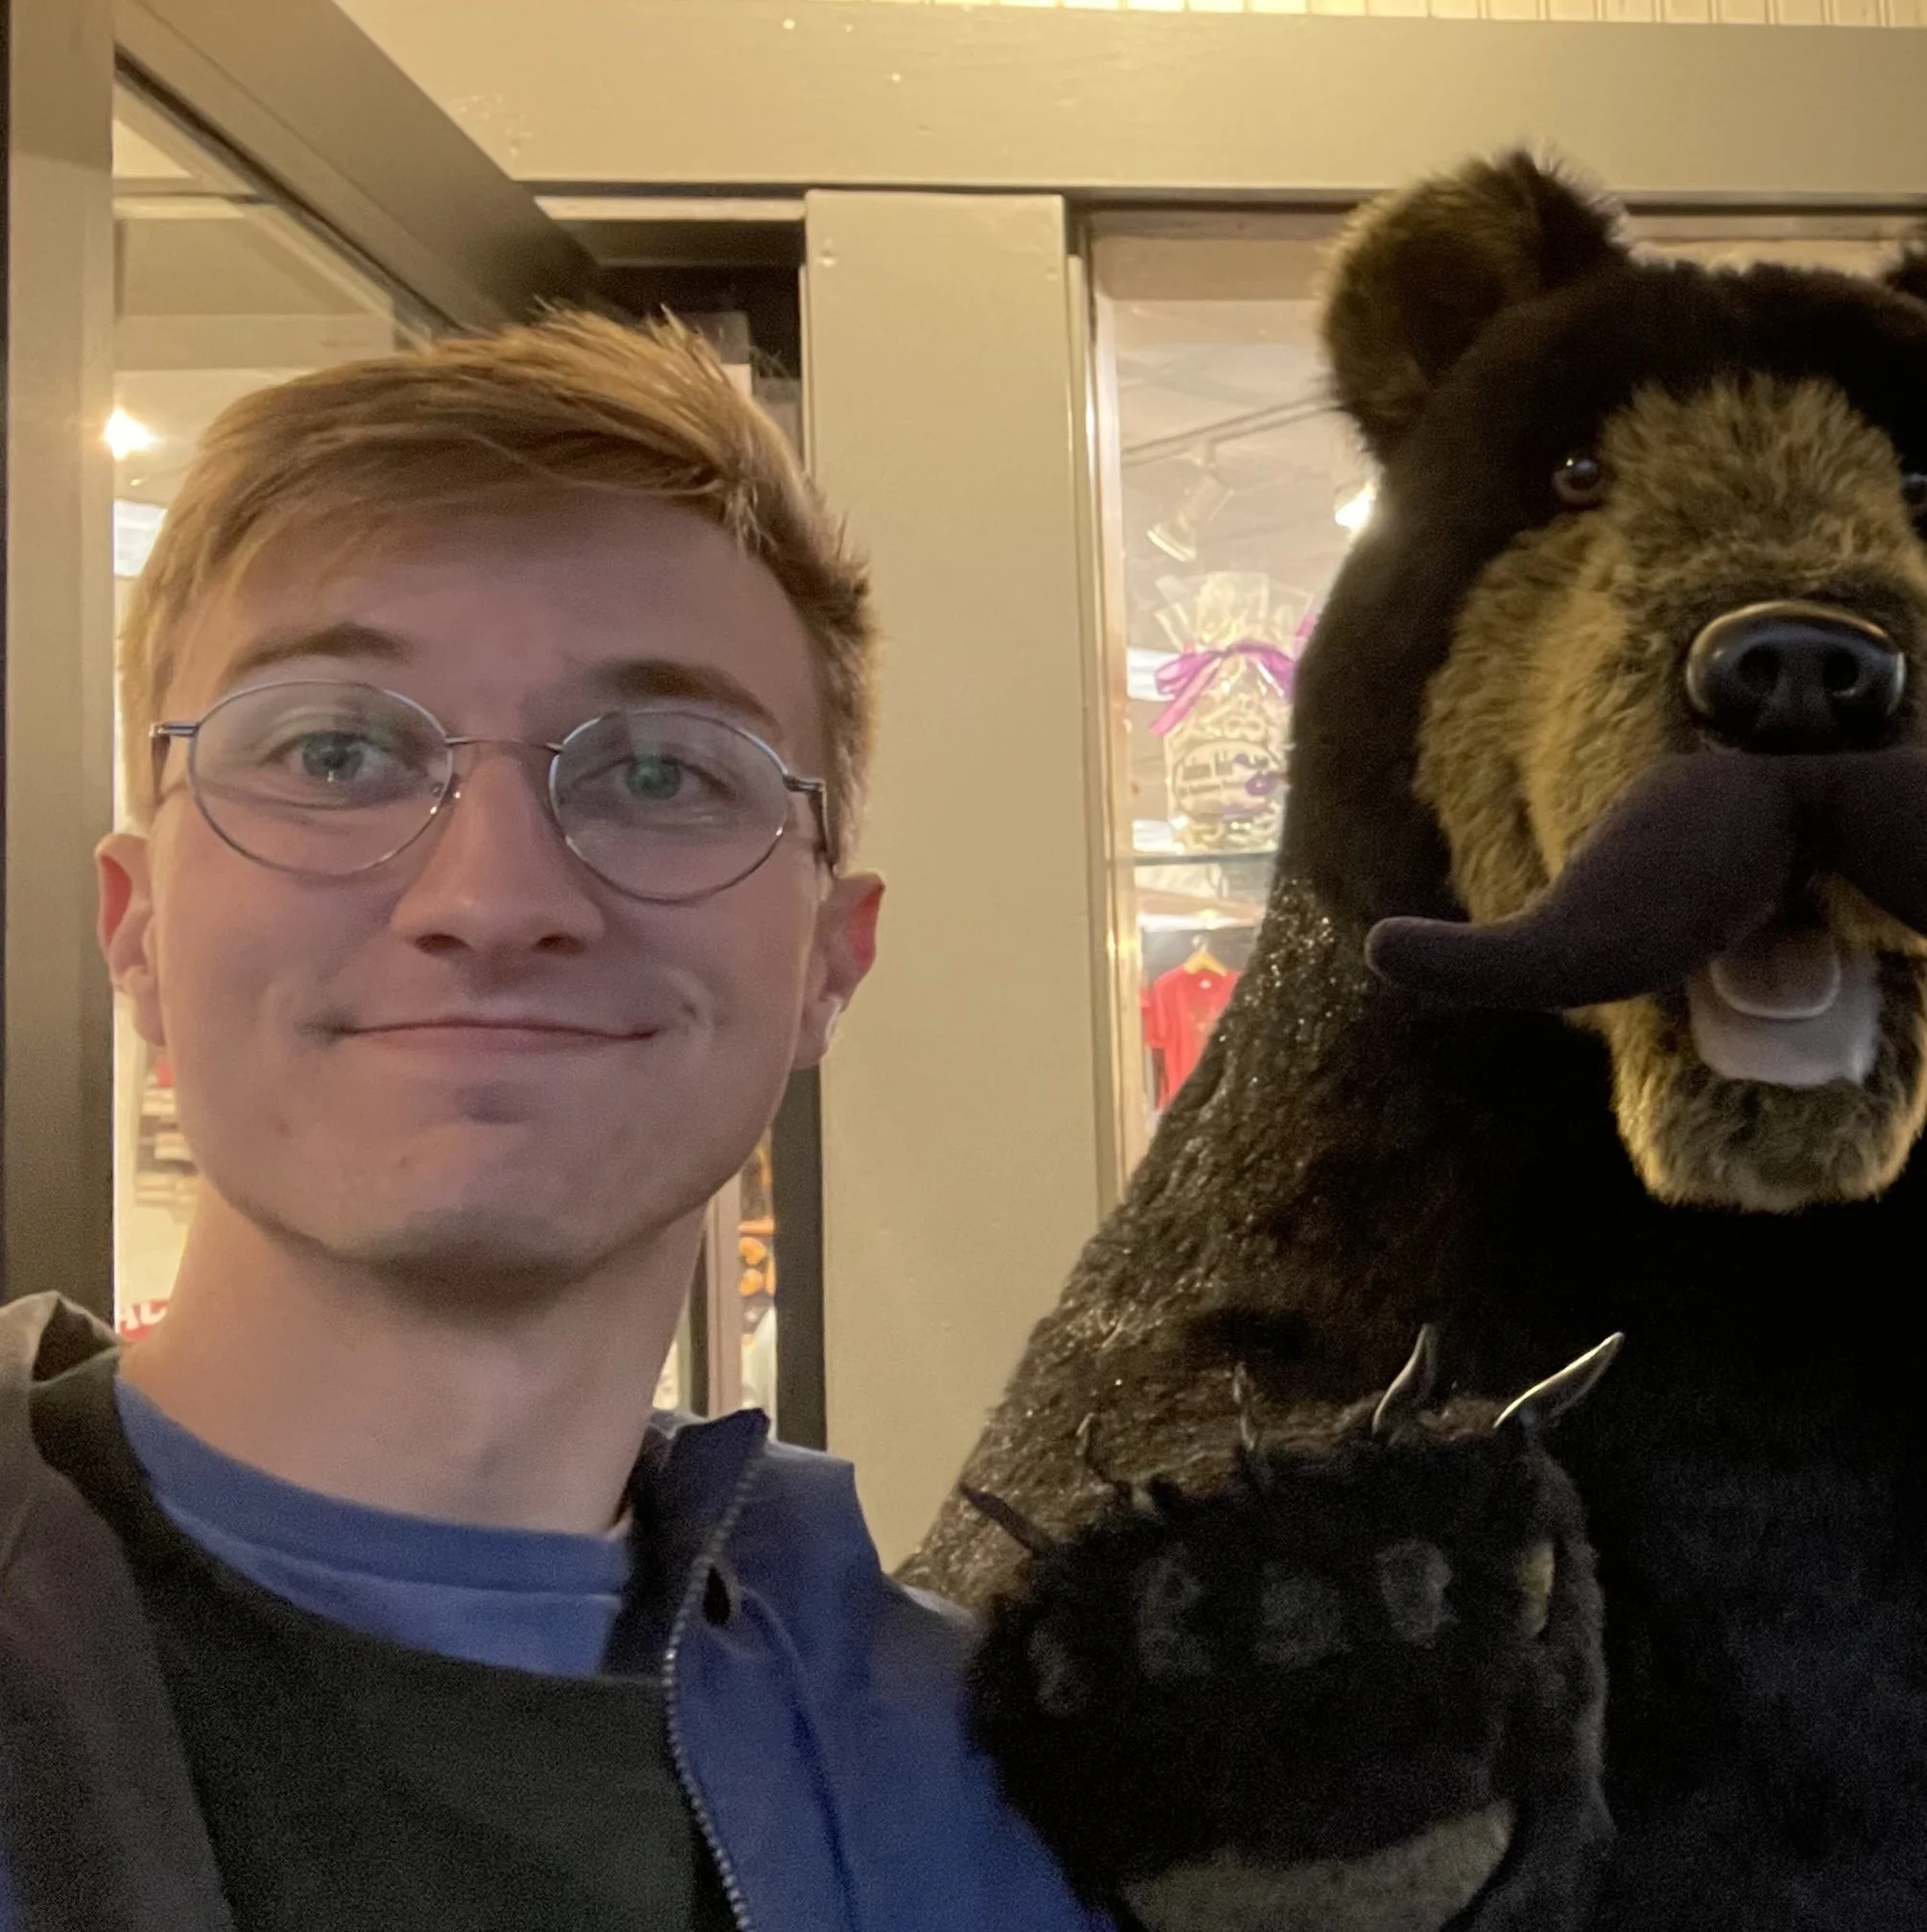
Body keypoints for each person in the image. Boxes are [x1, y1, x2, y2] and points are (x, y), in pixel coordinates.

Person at [0, 316, 1106, 1931]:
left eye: (661, 773)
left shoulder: (997, 1793)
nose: (495, 898)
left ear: (827, 962)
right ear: (136, 929)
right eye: (333, 750)